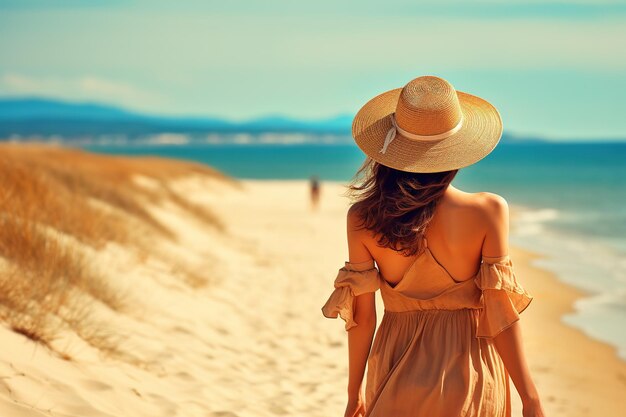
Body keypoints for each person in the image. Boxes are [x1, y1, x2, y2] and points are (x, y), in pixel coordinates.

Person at [321, 76, 545, 417]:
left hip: (395, 368)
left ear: (389, 151)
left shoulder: (362, 219)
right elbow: (501, 314)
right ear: (457, 150)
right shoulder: (489, 211)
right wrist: (530, 398)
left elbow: (363, 318)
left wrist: (354, 394)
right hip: (469, 373)